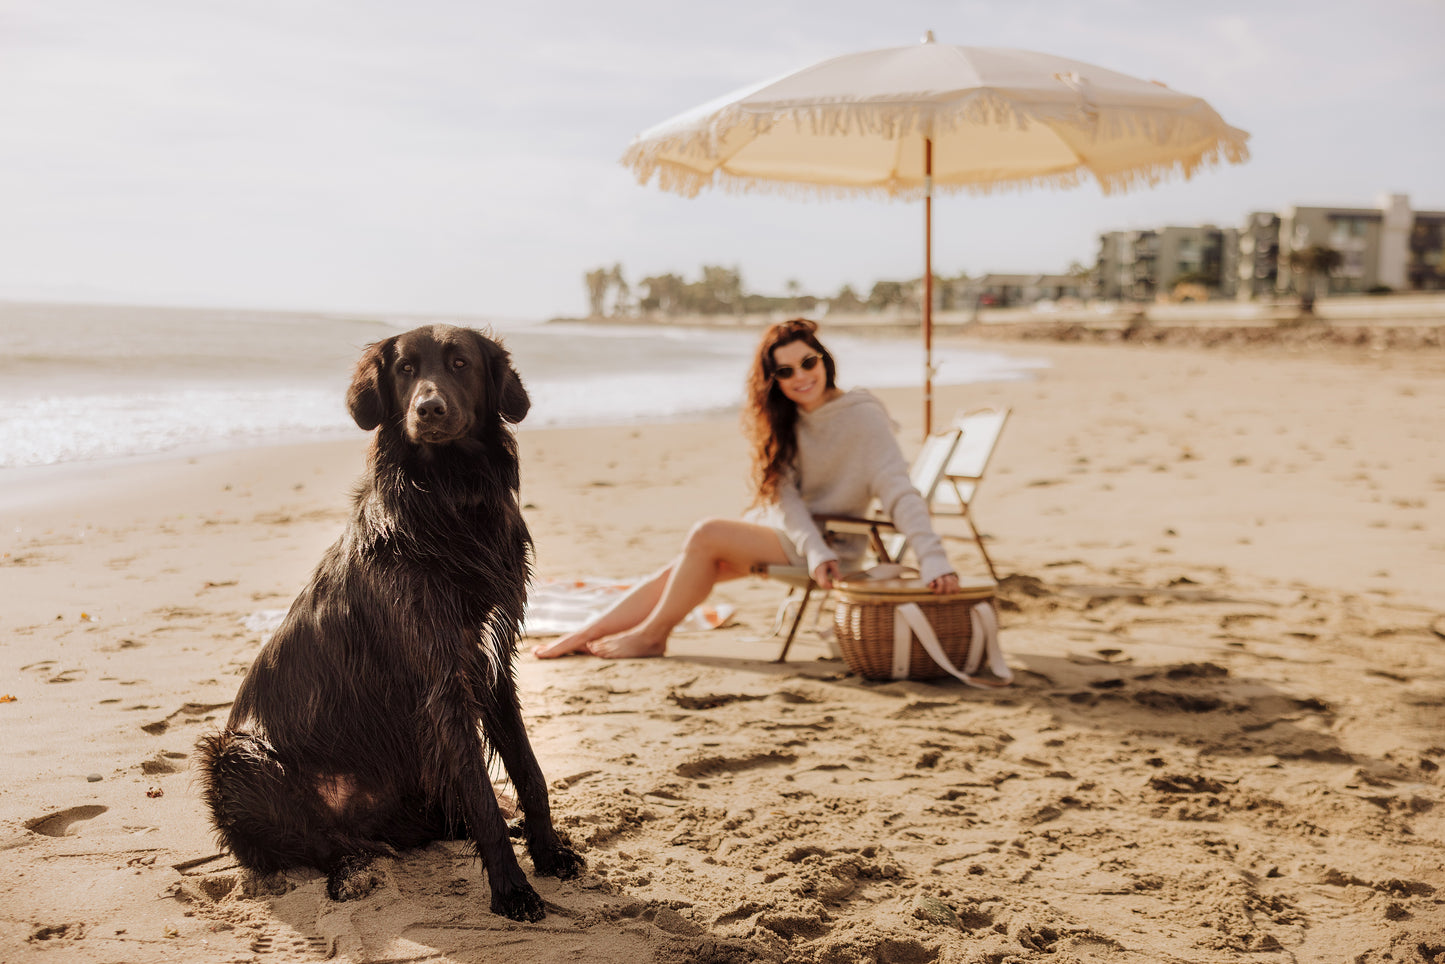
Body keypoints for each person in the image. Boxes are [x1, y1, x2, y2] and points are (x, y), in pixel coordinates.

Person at [532, 318, 960, 660]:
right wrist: (811, 545)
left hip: (832, 546)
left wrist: (933, 558)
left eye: (808, 362)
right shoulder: (787, 420)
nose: (801, 377)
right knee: (685, 566)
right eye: (786, 371)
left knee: (705, 534)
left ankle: (651, 635)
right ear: (774, 379)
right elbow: (784, 496)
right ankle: (587, 633)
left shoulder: (862, 416)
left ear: (824, 359)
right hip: (803, 539)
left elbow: (900, 492)